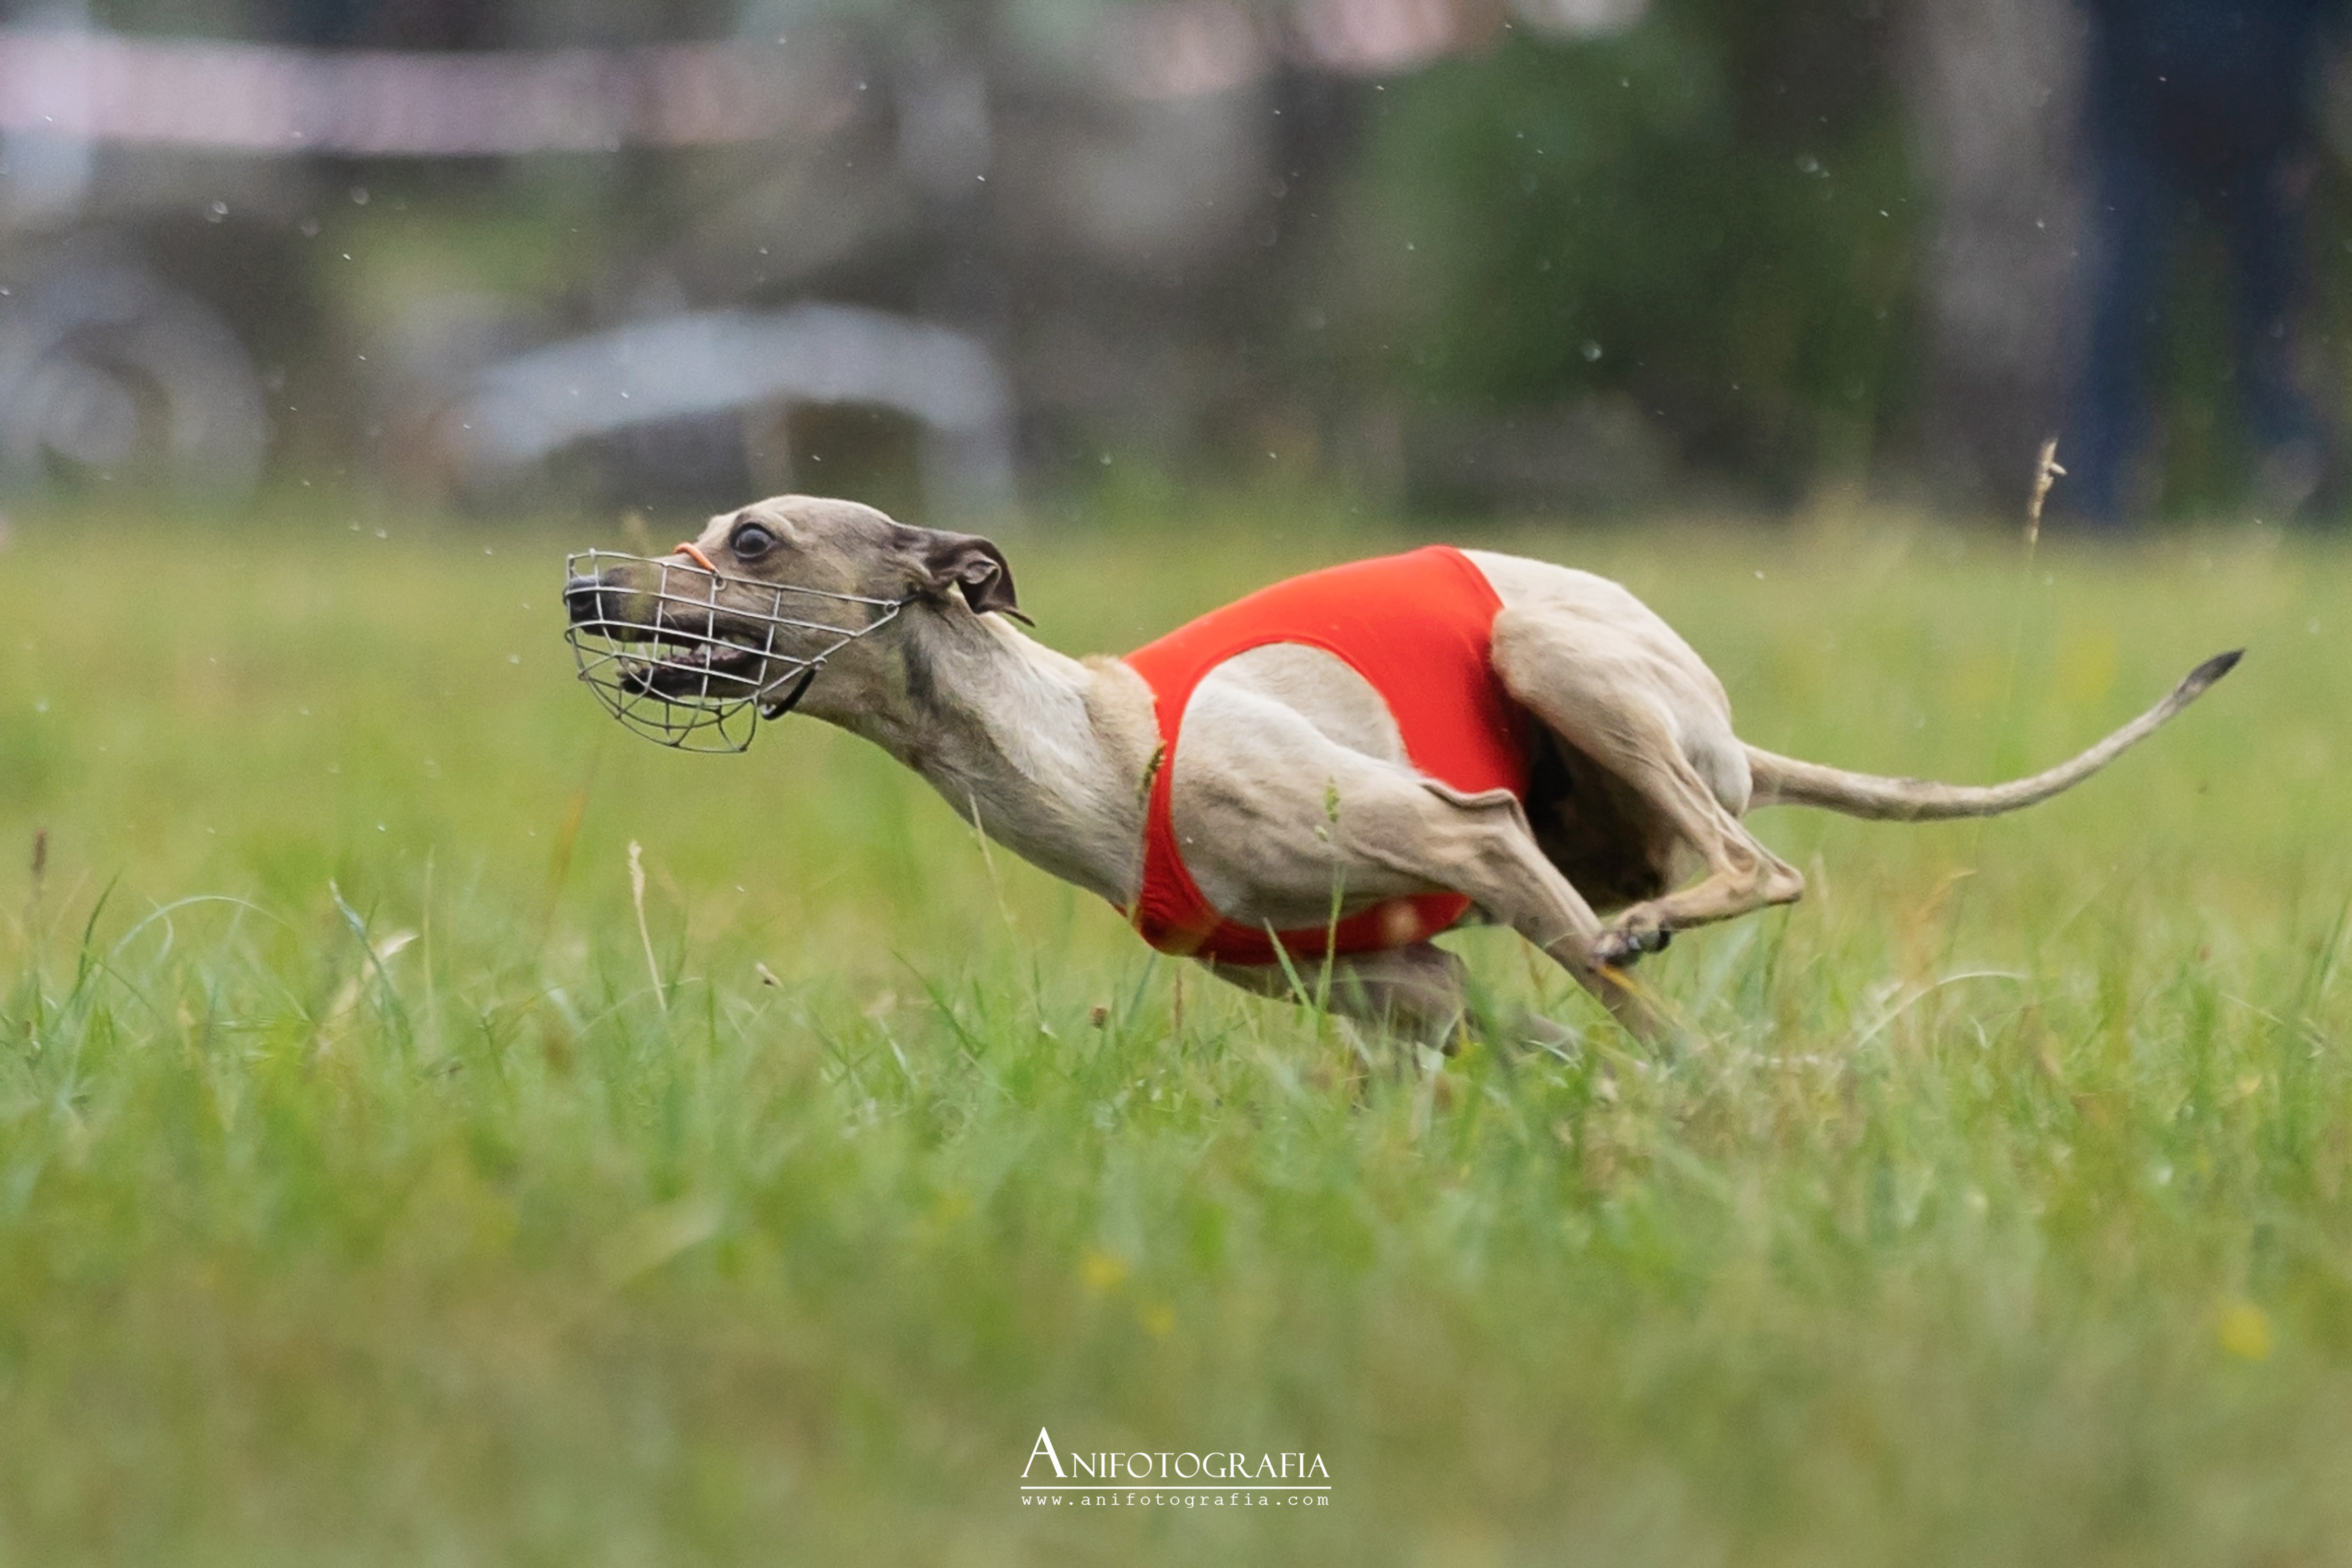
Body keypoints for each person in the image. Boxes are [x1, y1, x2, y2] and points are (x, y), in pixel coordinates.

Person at [2065, 0, 2347, 525]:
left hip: (2268, 124)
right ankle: (2102, 502)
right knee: (2121, 310)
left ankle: (2298, 492)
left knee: (2274, 322)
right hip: (2139, 115)